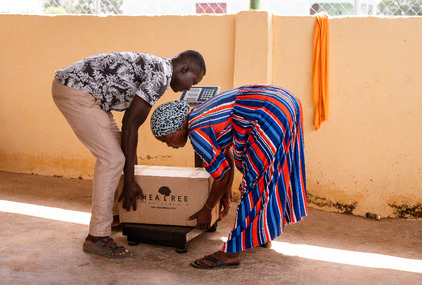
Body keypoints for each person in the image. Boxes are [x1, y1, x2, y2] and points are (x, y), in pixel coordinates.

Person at [52, 50, 206, 258]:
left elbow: (128, 131)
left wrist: (133, 174)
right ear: (185, 69)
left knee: (120, 152)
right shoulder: (161, 76)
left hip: (87, 94)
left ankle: (117, 215)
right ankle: (97, 236)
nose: (189, 87)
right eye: (193, 81)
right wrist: (131, 181)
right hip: (76, 91)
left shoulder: (158, 68)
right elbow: (131, 125)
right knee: (113, 159)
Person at [150, 85, 307, 269]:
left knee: (255, 181)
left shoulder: (196, 131)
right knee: (272, 174)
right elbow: (226, 157)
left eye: (168, 140)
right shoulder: (201, 113)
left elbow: (221, 175)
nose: (170, 146)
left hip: (270, 110)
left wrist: (207, 209)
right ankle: (261, 233)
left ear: (176, 126)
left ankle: (231, 253)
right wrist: (226, 194)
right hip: (285, 101)